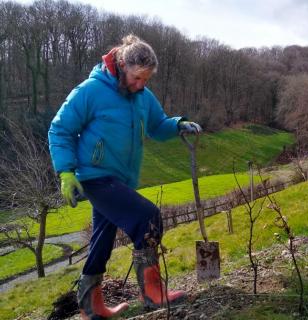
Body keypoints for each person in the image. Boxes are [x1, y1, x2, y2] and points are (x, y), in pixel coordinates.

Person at [48, 34, 201, 320]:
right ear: (121, 65)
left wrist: (178, 124)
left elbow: (157, 125)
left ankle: (91, 307)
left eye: (146, 79)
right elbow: (59, 130)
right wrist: (66, 172)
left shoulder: (142, 96)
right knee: (148, 217)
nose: (140, 85)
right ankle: (151, 292)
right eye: (136, 78)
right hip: (95, 176)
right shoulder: (91, 90)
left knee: (102, 241)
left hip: (121, 180)